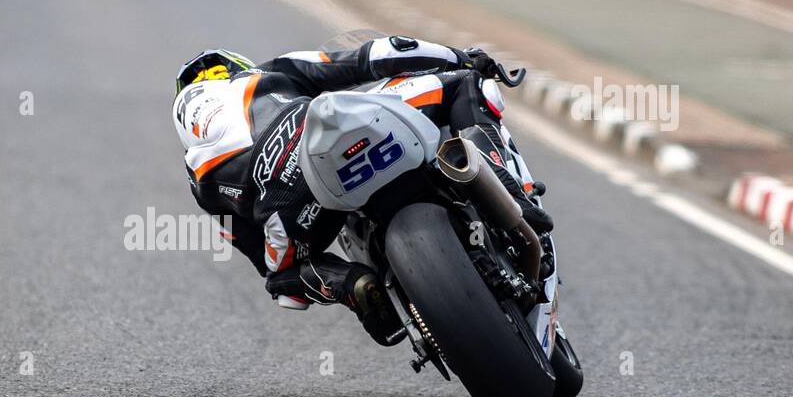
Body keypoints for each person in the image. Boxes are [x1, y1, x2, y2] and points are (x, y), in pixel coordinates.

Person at [171, 37, 552, 344]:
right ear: (234, 68)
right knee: (464, 84)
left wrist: (291, 271)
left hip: (288, 208)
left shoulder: (197, 175)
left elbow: (263, 260)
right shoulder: (266, 74)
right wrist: (460, 57)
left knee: (280, 276)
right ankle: (509, 193)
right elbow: (375, 55)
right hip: (312, 136)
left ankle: (353, 286)